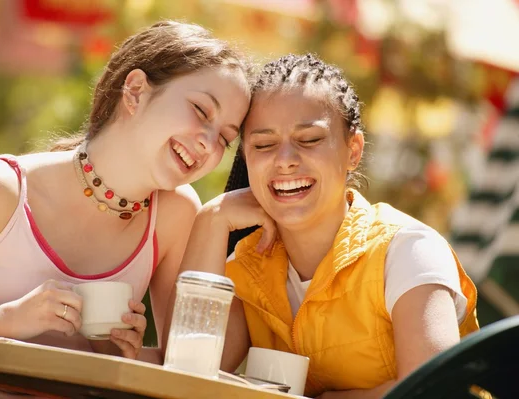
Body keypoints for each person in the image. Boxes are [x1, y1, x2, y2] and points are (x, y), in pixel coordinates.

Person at [0, 21, 251, 397]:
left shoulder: (176, 215)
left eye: (226, 138)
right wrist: (7, 320)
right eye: (201, 111)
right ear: (136, 90)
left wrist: (119, 353)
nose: (210, 143)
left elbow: (192, 367)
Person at [166, 54, 479, 399]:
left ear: (353, 150)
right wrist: (212, 219)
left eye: (310, 139)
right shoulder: (248, 268)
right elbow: (184, 380)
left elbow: (436, 392)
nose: (285, 160)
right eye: (264, 145)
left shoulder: (406, 250)